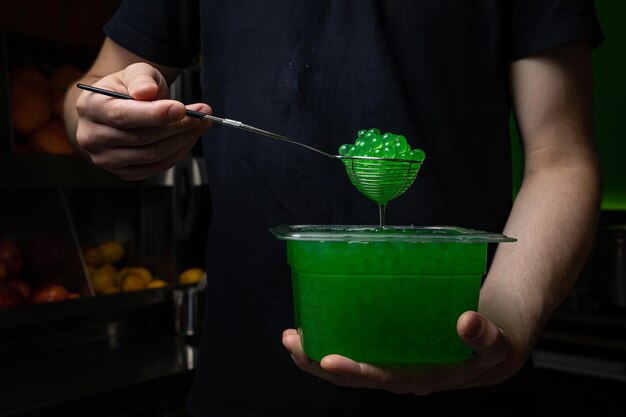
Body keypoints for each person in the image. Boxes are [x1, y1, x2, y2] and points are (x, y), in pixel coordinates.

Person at [63, 1, 604, 415]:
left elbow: (561, 158)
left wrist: (508, 314)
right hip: (247, 378)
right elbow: (90, 91)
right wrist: (100, 114)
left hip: (464, 356)